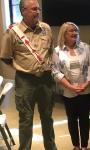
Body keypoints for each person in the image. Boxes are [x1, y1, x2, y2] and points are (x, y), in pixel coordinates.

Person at [0, 0, 57, 149]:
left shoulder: (46, 28)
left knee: (47, 118)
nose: (37, 12)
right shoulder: (12, 32)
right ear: (23, 11)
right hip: (25, 82)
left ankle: (51, 147)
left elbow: (50, 50)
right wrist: (21, 67)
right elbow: (5, 57)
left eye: (38, 9)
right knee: (25, 119)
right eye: (33, 9)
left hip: (45, 80)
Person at [52, 22, 90, 150]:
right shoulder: (57, 51)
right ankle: (76, 145)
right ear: (63, 34)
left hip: (85, 90)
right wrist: (71, 87)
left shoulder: (85, 47)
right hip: (68, 92)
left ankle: (84, 146)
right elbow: (55, 72)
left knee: (84, 118)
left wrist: (86, 84)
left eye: (76, 30)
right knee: (72, 119)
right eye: (71, 31)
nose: (75, 33)